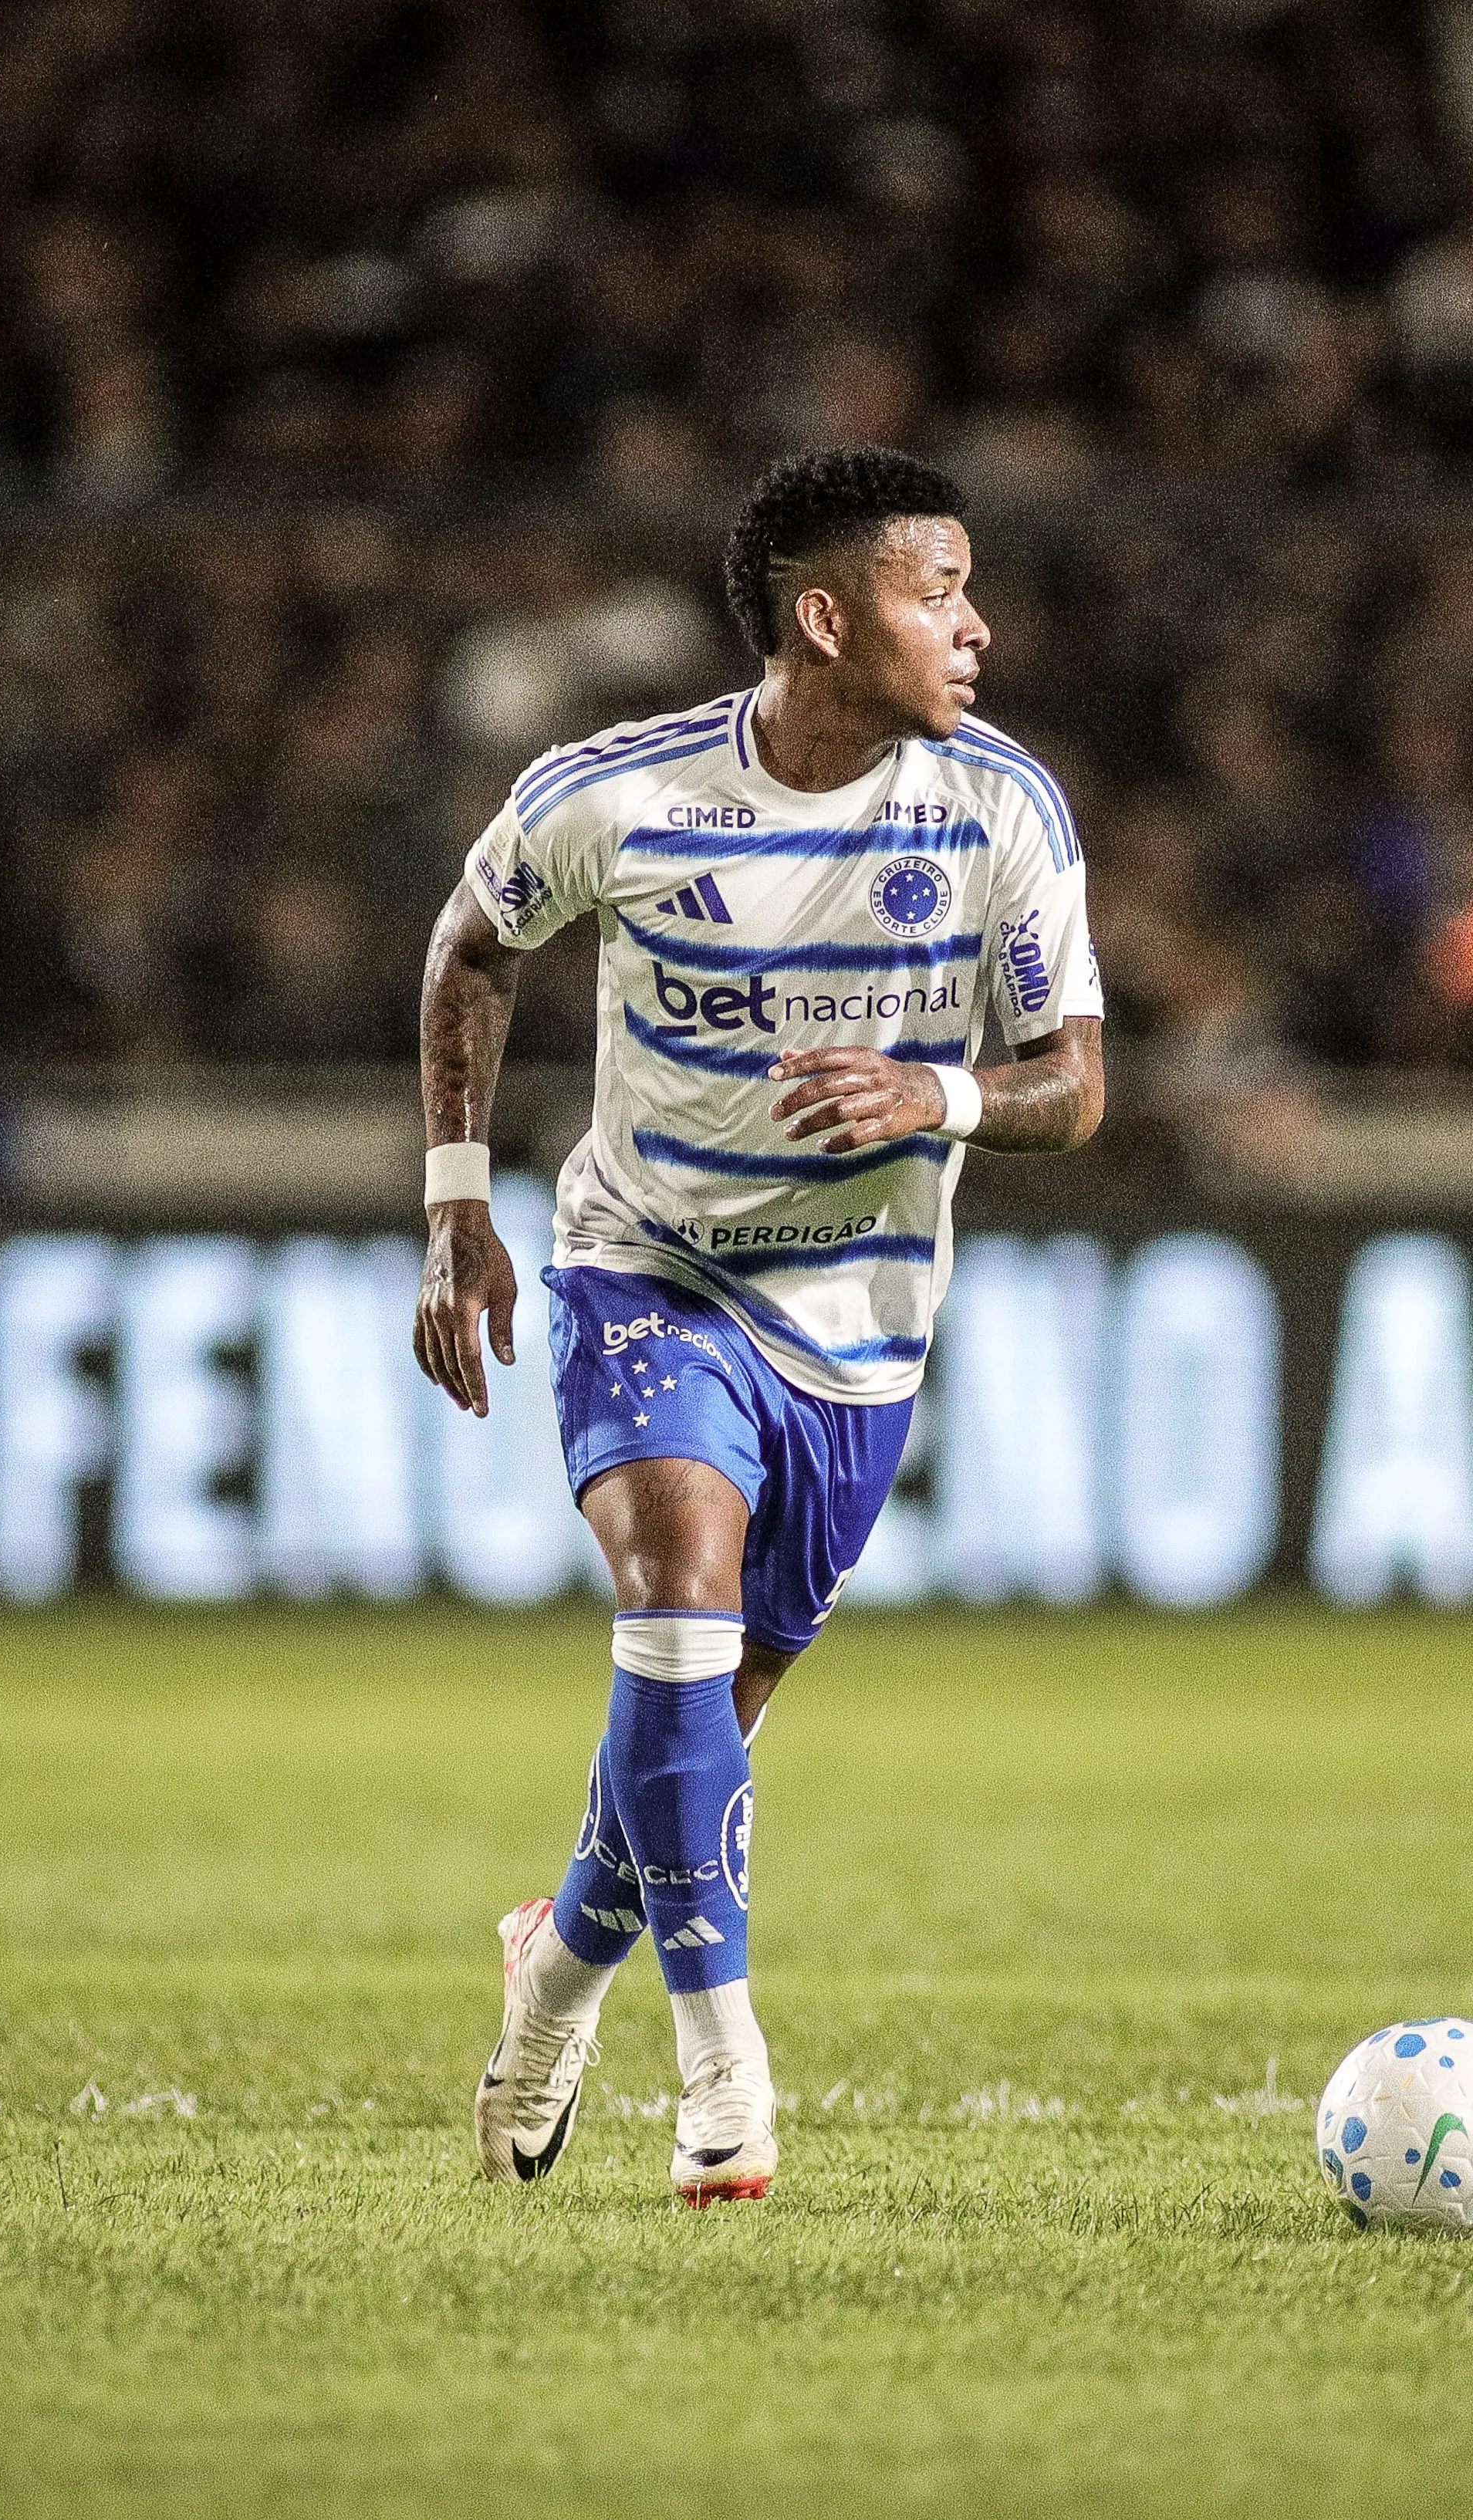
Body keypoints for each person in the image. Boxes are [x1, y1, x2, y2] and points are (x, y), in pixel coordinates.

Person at [410, 448, 1106, 2204]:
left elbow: (1078, 1086)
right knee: (675, 1606)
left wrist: (933, 1094)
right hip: (648, 1267)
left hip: (858, 1331)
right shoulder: (618, 794)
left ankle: (558, 1963)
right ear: (825, 615)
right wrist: (454, 1202)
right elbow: (471, 947)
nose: (978, 625)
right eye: (938, 590)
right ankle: (723, 2069)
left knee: (698, 1720)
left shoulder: (1000, 805)